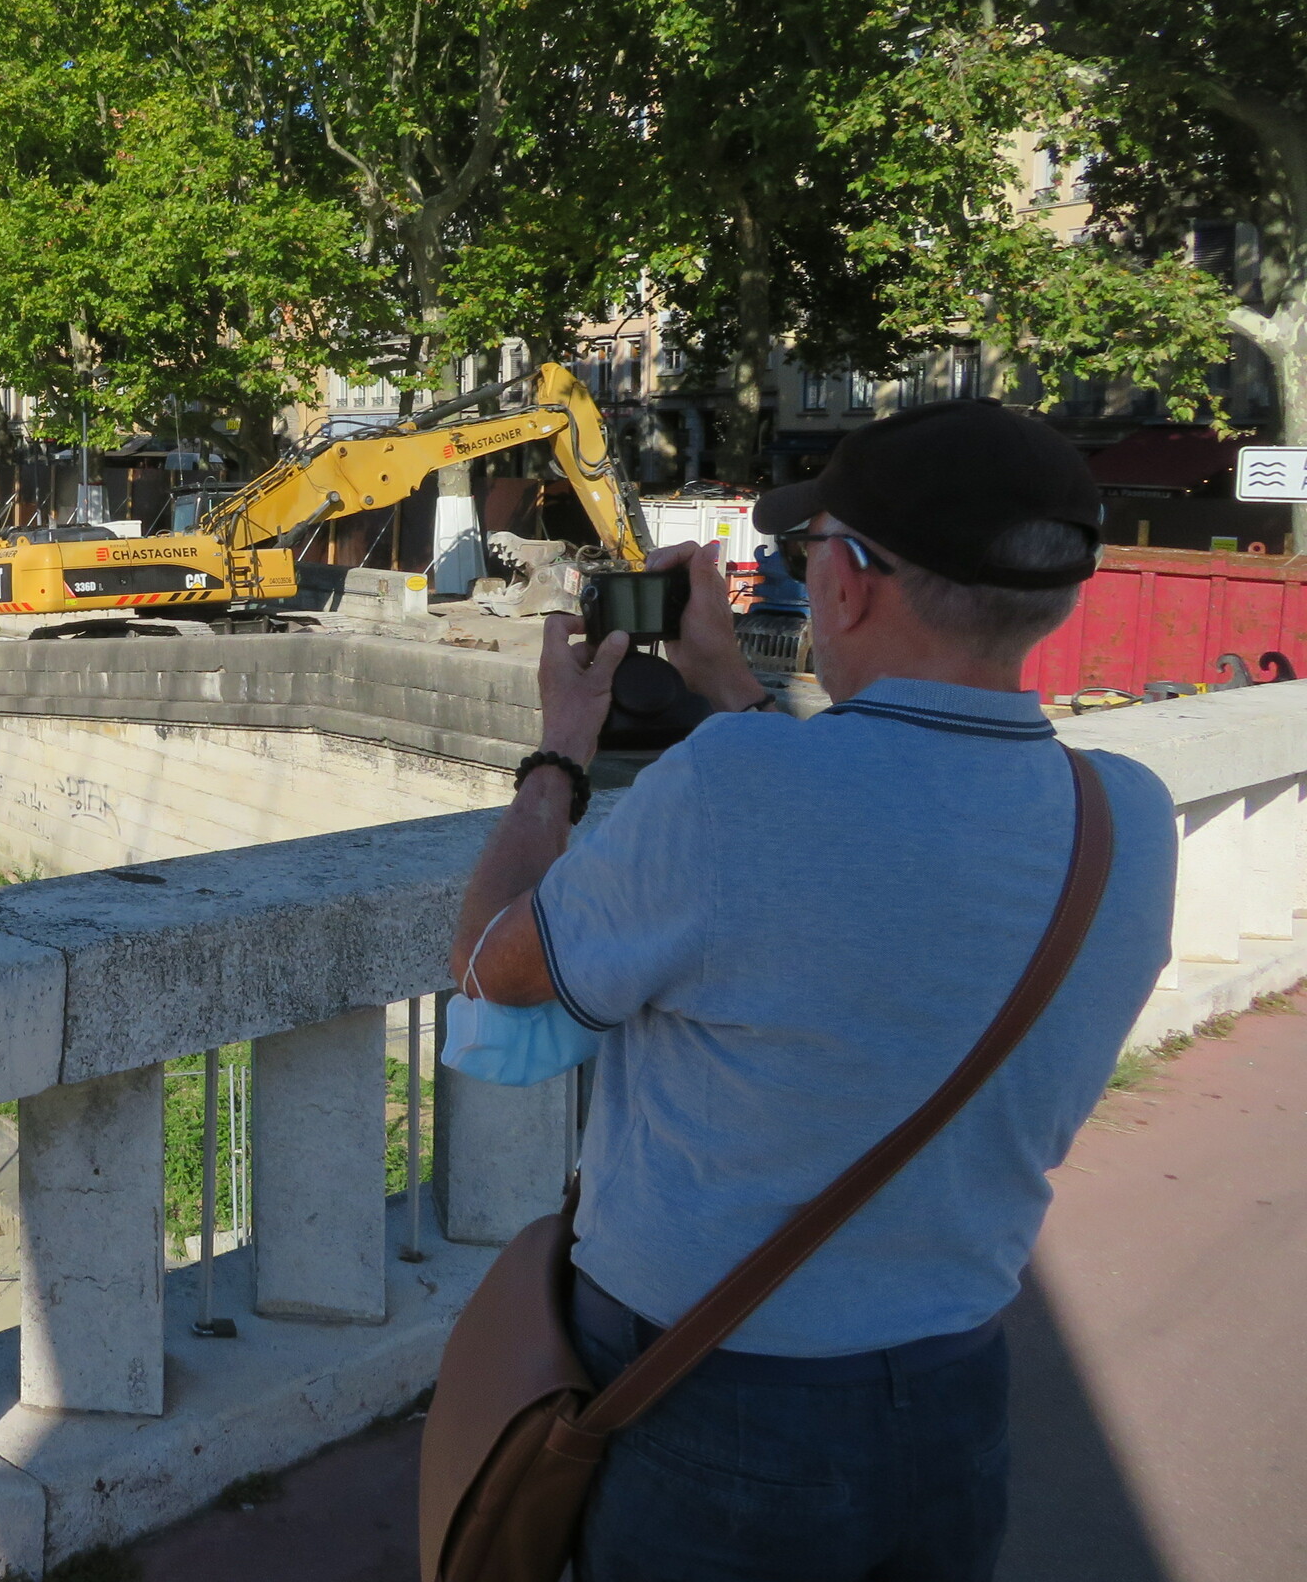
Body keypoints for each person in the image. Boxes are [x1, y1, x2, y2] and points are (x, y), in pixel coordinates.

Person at [446, 400, 1176, 1582]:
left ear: (848, 582)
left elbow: (493, 966)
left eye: (811, 547)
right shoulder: (1126, 818)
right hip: (953, 1387)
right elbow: (873, 822)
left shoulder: (731, 787)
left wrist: (560, 747)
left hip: (711, 1398)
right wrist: (726, 679)